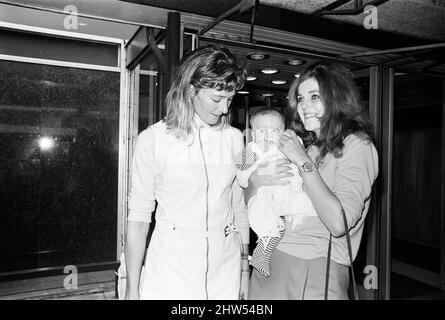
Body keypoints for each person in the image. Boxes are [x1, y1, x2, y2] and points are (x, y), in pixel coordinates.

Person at [125, 45, 250, 300]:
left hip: (225, 266)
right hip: (171, 268)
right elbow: (138, 220)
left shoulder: (236, 139)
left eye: (230, 99)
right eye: (216, 99)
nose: (225, 109)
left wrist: (244, 268)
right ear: (191, 91)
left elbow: (239, 206)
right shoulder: (152, 140)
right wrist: (132, 287)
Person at [246, 62, 379, 300]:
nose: (304, 105)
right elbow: (250, 198)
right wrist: (256, 181)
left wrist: (301, 160)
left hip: (315, 265)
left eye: (314, 97)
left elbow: (339, 223)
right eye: (300, 98)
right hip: (271, 257)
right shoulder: (312, 147)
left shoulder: (357, 145)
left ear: (337, 100)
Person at [236, 107, 317, 277]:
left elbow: (303, 161)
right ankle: (261, 253)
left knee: (306, 209)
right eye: (261, 131)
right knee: (271, 226)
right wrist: (252, 168)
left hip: (291, 189)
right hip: (265, 195)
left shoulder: (289, 144)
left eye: (275, 130)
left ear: (284, 130)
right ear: (252, 134)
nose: (268, 136)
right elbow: (240, 175)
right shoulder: (252, 149)